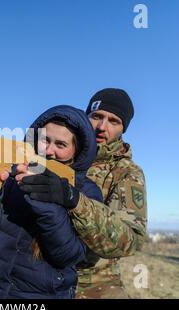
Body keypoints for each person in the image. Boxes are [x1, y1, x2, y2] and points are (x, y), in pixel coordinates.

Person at [0, 105, 103, 299]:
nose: (49, 150)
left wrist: (47, 201)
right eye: (45, 140)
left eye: (61, 145)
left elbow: (68, 255)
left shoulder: (86, 191)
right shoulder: (16, 173)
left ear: (76, 151)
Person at [67, 88, 148, 298]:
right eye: (97, 116)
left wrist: (76, 203)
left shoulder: (126, 172)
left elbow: (130, 240)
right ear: (86, 116)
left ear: (123, 129)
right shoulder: (58, 152)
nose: (102, 127)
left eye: (114, 121)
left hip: (94, 286)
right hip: (39, 280)